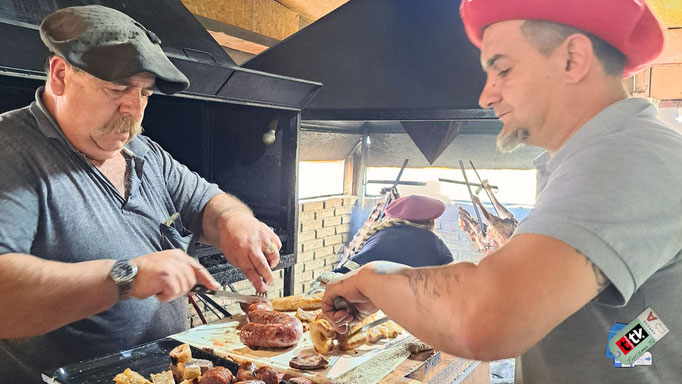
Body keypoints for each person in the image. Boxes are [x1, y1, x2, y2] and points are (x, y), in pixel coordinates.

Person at [321, 1, 682, 383]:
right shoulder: (597, 157)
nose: (486, 95)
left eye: (503, 69)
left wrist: (372, 276)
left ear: (572, 60)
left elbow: (488, 316)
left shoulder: (626, 157)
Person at [0, 5, 281, 383]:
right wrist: (127, 277)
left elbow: (205, 202)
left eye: (145, 93)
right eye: (117, 89)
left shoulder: (142, 151)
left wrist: (235, 220)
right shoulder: (10, 149)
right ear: (61, 75)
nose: (134, 110)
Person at [334, 195, 454, 273]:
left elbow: (348, 269)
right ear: (431, 221)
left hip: (370, 303)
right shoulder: (434, 242)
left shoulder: (379, 234)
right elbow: (453, 277)